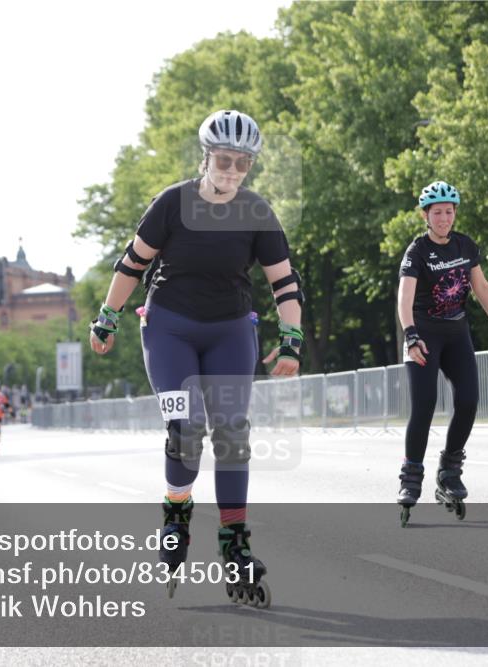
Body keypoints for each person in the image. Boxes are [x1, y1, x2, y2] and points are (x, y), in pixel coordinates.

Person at [89, 109, 303, 607]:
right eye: (224, 160)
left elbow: (284, 282)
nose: (231, 171)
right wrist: (107, 316)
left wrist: (291, 339)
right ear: (206, 156)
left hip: (230, 331)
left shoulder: (257, 212)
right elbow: (132, 262)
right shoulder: (172, 203)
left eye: (242, 164)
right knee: (185, 430)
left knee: (231, 434)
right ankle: (176, 516)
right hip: (169, 328)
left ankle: (234, 545)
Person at [395, 181, 488, 526]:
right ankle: (410, 478)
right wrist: (411, 336)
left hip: (457, 333)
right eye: (437, 213)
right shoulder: (416, 251)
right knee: (424, 405)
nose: (444, 218)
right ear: (425, 215)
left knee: (468, 401)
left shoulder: (465, 245)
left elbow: (480, 286)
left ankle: (449, 471)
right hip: (423, 335)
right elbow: (404, 299)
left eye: (449, 212)